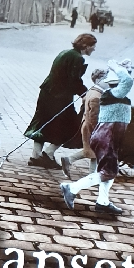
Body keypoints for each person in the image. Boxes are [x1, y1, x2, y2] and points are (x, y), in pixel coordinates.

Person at [60, 59, 134, 215]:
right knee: (108, 172)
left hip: (109, 138)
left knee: (110, 170)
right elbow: (127, 81)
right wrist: (116, 67)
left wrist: (125, 68)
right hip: (107, 138)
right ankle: (71, 188)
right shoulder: (113, 94)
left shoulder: (116, 94)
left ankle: (103, 202)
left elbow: (126, 80)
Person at [25, 33, 97, 169]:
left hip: (47, 93)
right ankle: (48, 154)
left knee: (42, 123)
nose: (94, 49)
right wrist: (85, 94)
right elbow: (74, 80)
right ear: (85, 45)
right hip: (59, 97)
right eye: (92, 46)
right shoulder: (77, 58)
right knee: (71, 126)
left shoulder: (66, 52)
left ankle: (35, 156)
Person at [60, 68, 108, 178]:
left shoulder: (92, 91)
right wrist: (98, 131)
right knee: (93, 151)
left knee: (92, 152)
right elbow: (94, 117)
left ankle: (89, 173)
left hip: (86, 125)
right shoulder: (97, 97)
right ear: (98, 80)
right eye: (106, 80)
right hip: (91, 127)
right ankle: (89, 174)